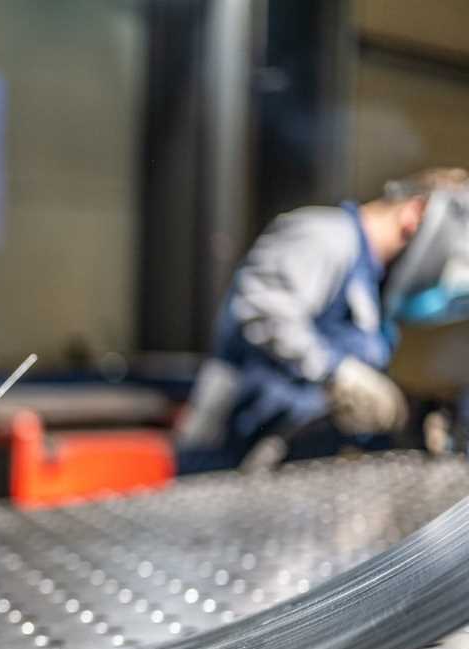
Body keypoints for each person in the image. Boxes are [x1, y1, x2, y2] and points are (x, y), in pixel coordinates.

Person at [176, 168, 469, 472]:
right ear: (414, 213)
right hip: (232, 456)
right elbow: (265, 312)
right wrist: (336, 372)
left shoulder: (372, 285)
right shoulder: (326, 236)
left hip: (287, 468)